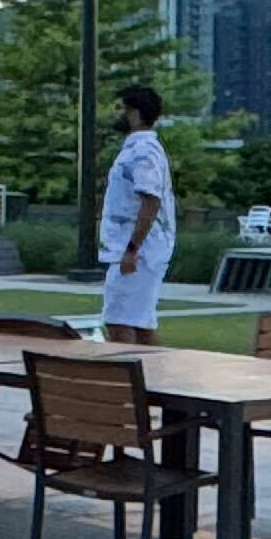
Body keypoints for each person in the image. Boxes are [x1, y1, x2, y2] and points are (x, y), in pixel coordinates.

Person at [95, 82, 176, 344]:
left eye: (121, 108)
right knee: (139, 322)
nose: (116, 114)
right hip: (137, 249)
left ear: (134, 112)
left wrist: (132, 248)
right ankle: (154, 379)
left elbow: (150, 201)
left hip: (138, 251)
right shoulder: (138, 149)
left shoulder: (143, 152)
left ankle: (127, 380)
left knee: (119, 322)